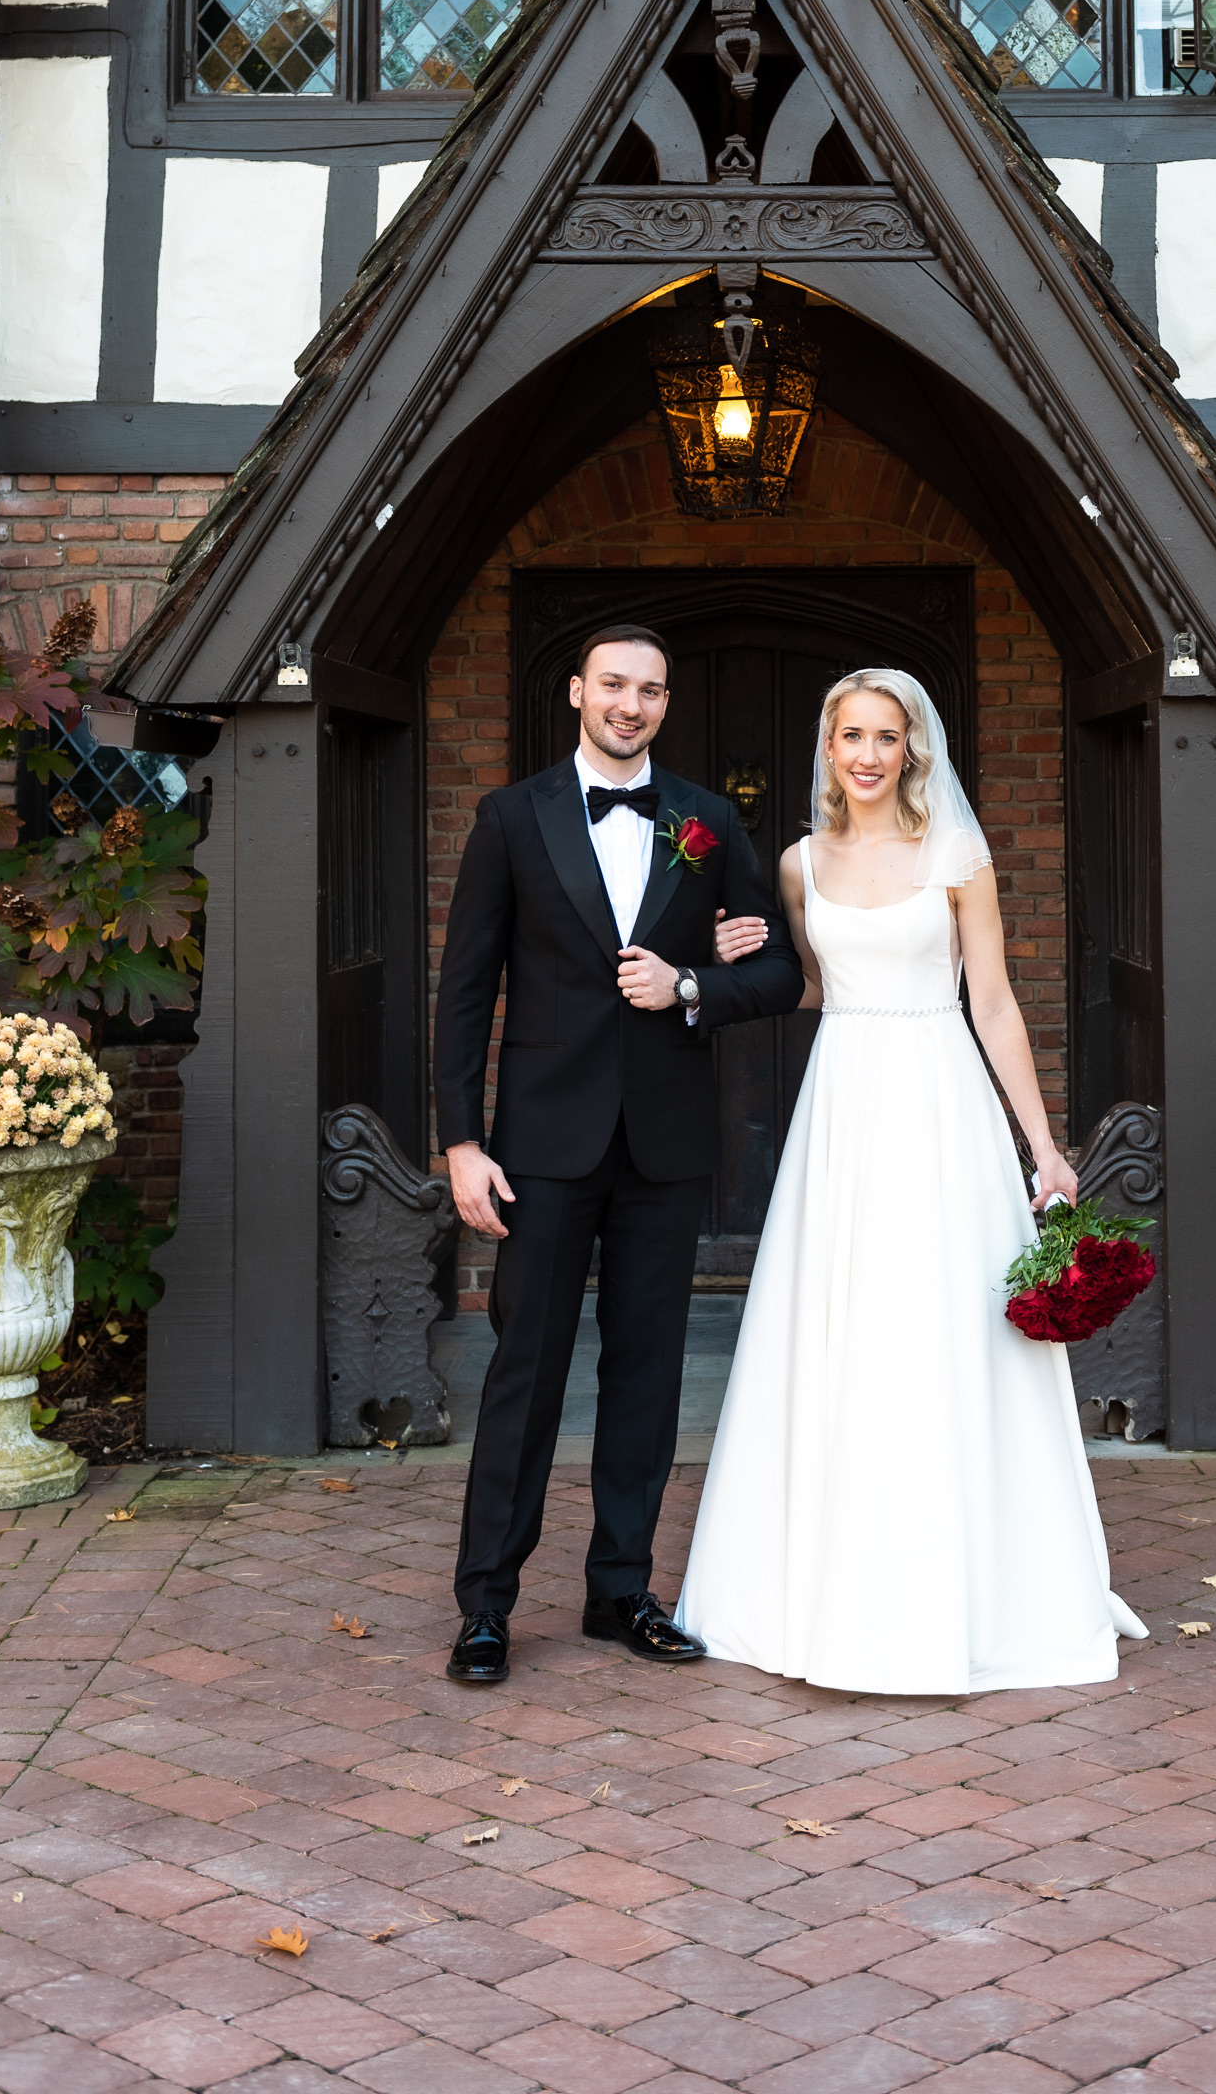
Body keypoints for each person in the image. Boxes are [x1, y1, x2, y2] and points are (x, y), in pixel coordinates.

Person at [677, 667, 1149, 1695]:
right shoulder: (798, 864)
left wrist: (1043, 1145)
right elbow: (805, 986)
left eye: (884, 737)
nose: (866, 754)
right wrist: (736, 950)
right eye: (849, 735)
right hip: (844, 1103)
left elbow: (994, 1003)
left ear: (909, 750)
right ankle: (824, 1594)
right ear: (827, 747)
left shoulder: (955, 854)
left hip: (940, 1098)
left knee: (946, 1331)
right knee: (841, 1331)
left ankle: (971, 1592)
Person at [434, 622, 803, 1687]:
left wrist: (691, 984)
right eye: (612, 685)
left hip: (665, 1143)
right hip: (541, 1145)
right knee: (526, 1373)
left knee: (644, 1375)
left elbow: (777, 971)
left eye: (648, 689)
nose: (629, 704)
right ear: (576, 693)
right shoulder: (510, 819)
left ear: (664, 703)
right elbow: (465, 993)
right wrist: (462, 1141)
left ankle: (619, 1593)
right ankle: (487, 1608)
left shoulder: (706, 820)